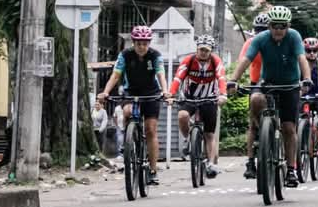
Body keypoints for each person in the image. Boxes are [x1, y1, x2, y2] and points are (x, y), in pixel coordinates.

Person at [226, 5, 312, 189]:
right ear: (269, 26)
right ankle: (261, 132)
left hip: (290, 85)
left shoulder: (294, 36)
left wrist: (306, 79)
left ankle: (290, 169)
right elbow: (246, 59)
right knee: (256, 99)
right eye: (274, 26)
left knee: (289, 128)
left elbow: (302, 59)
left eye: (282, 26)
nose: (278, 30)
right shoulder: (261, 39)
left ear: (288, 26)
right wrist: (233, 80)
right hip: (268, 83)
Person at [98, 25, 169, 186]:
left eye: (145, 43)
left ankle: (152, 170)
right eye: (139, 44)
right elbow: (115, 76)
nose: (142, 47)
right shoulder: (125, 55)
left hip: (151, 92)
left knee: (150, 129)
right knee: (128, 111)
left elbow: (161, 75)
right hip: (131, 92)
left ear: (149, 43)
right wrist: (105, 92)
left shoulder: (155, 55)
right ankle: (129, 141)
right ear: (134, 43)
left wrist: (165, 91)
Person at [170, 35, 228, 179]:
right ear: (196, 49)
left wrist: (223, 94)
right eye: (201, 50)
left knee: (209, 134)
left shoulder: (215, 61)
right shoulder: (188, 61)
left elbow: (221, 78)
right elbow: (178, 78)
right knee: (182, 116)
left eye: (207, 50)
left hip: (209, 98)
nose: (203, 53)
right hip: (189, 97)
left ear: (211, 51)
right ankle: (187, 139)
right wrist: (170, 94)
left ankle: (210, 164)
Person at [237, 12, 270, 84]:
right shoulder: (250, 43)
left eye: (264, 29)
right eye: (258, 29)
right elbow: (241, 61)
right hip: (256, 82)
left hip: (275, 81)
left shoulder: (277, 42)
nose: (260, 33)